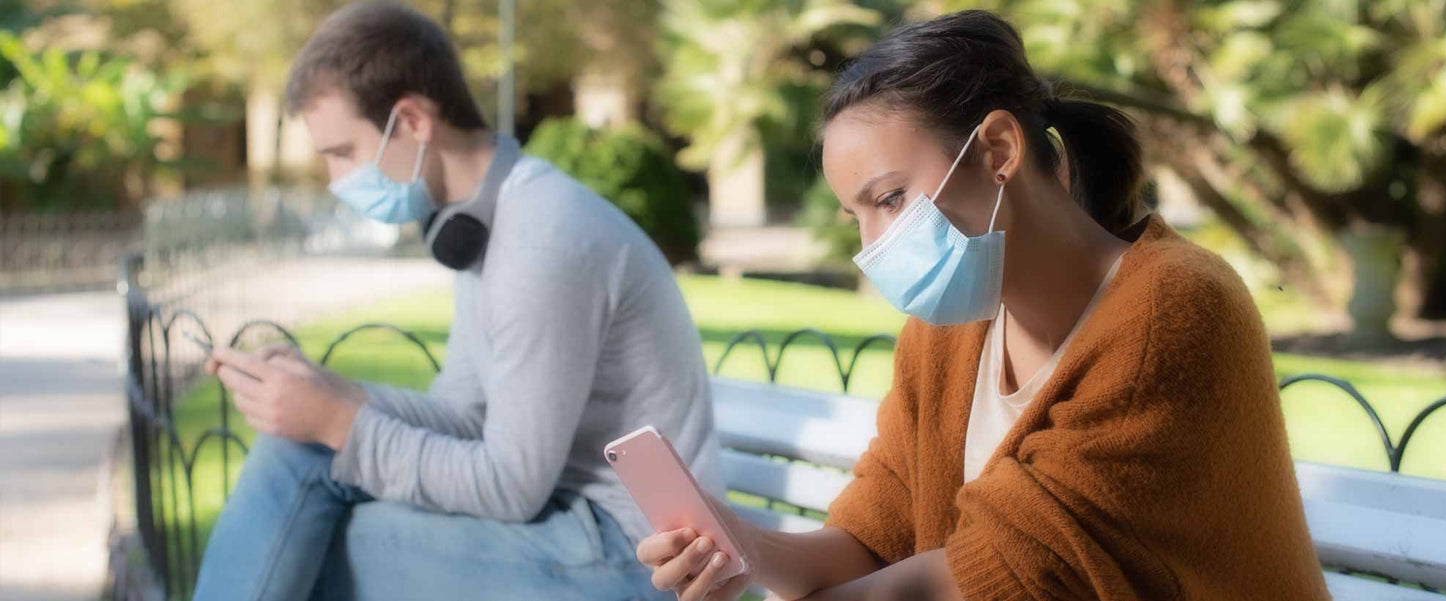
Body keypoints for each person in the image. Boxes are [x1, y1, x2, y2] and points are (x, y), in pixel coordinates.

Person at [637, 10, 1329, 601]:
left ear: (998, 149)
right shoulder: (944, 335)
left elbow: (1002, 572)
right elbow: (874, 536)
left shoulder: (1174, 309)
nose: (876, 244)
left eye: (889, 199)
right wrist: (744, 550)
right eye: (858, 218)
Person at [192, 3, 712, 599]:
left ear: (411, 120)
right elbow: (467, 419)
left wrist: (340, 423)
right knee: (295, 449)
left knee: (329, 538)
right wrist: (330, 398)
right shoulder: (488, 222)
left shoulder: (541, 239)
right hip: (566, 521)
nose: (337, 181)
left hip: (639, 554)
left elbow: (510, 485)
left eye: (342, 153)